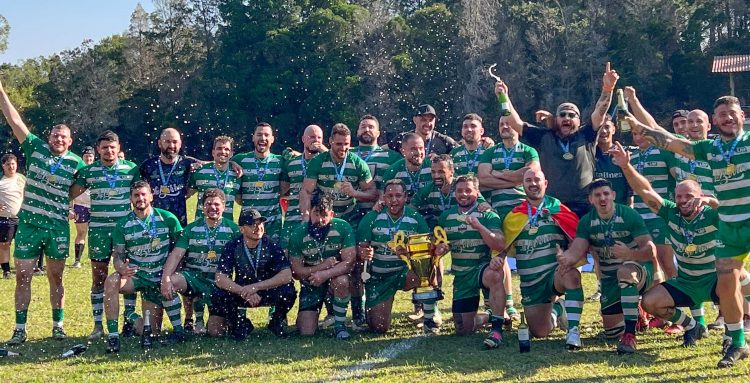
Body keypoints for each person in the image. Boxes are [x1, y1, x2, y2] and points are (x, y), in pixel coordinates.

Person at [624, 96, 750, 367]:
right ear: (715, 120)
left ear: (742, 115)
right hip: (728, 225)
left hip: (723, 216)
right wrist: (641, 128)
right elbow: (672, 142)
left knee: (737, 282)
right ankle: (737, 342)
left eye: (732, 113)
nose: (727, 118)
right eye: (722, 114)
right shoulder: (710, 147)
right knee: (727, 283)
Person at [609, 142, 730, 347]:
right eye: (679, 196)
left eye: (689, 196)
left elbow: (729, 212)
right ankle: (692, 326)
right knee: (649, 302)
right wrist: (625, 166)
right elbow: (646, 191)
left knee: (739, 284)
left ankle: (732, 339)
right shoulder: (671, 212)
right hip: (686, 282)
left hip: (713, 280)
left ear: (700, 197)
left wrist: (712, 202)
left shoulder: (712, 215)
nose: (683, 201)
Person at [0, 78, 85, 344]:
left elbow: (77, 189)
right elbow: (15, 121)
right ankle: (20, 328)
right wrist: (2, 90)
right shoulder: (35, 147)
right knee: (23, 276)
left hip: (58, 226)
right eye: (55, 135)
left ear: (70, 141)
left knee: (56, 276)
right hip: (29, 225)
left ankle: (58, 324)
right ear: (48, 137)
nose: (58, 139)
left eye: (63, 136)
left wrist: (60, 200)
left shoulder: (77, 163)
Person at [496, 62, 620, 217]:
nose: (566, 118)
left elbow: (600, 112)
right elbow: (515, 123)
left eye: (571, 115)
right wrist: (503, 97)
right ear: (556, 119)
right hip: (554, 207)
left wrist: (608, 89)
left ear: (579, 120)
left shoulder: (587, 135)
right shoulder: (544, 137)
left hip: (586, 207)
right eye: (562, 115)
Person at [557, 179, 662, 354]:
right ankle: (634, 312)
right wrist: (564, 258)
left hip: (637, 270)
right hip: (610, 279)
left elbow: (650, 250)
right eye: (597, 195)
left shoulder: (628, 214)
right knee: (612, 332)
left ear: (613, 195)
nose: (602, 198)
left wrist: (630, 254)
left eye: (606, 194)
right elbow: (576, 250)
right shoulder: (587, 221)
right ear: (591, 199)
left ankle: (630, 334)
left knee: (625, 272)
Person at [70, 131, 140, 340]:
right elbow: (71, 192)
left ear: (119, 148)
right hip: (99, 231)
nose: (109, 151)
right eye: (104, 147)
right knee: (98, 277)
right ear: (98, 149)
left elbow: (142, 194)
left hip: (125, 231)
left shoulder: (132, 169)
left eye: (112, 147)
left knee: (128, 274)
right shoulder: (89, 171)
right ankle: (98, 325)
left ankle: (128, 319)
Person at [502, 169, 583, 350]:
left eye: (537, 180)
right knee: (540, 331)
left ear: (545, 183)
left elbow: (578, 239)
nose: (533, 184)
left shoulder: (559, 210)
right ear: (522, 186)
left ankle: (573, 331)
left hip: (556, 274)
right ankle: (558, 309)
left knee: (572, 276)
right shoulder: (514, 216)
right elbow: (502, 247)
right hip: (531, 282)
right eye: (528, 180)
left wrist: (569, 257)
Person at [103, 181, 185, 353]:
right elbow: (117, 256)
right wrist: (120, 268)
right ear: (130, 199)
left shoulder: (168, 218)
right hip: (137, 276)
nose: (140, 198)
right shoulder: (123, 225)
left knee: (152, 333)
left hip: (160, 275)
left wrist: (171, 274)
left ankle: (134, 318)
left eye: (143, 194)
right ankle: (113, 336)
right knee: (111, 281)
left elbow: (180, 250)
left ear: (151, 196)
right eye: (136, 195)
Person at [434, 175, 506, 347]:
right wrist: (441, 249)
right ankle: (490, 315)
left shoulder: (487, 214)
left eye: (468, 190)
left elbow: (500, 243)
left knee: (495, 275)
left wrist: (479, 227)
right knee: (463, 330)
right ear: (454, 193)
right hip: (461, 276)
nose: (463, 194)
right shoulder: (446, 216)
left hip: (481, 269)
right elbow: (438, 245)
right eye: (459, 191)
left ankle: (497, 328)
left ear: (477, 192)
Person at [160, 188, 241, 335]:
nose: (212, 208)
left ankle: (217, 318)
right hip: (195, 278)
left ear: (224, 206)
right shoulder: (191, 229)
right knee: (172, 281)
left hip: (220, 282)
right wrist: (166, 277)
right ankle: (180, 329)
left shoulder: (233, 229)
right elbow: (177, 254)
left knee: (216, 332)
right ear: (202, 207)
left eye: (216, 204)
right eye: (208, 204)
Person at [209, 207, 296, 339]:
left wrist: (256, 287)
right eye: (251, 224)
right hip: (242, 292)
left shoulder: (271, 245)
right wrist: (243, 291)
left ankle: (276, 321)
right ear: (242, 229)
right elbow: (220, 278)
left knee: (288, 290)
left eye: (260, 223)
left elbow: (287, 275)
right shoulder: (233, 246)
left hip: (265, 290)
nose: (258, 227)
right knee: (218, 293)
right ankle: (239, 324)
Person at [357, 179, 430, 333]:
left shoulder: (415, 217)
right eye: (389, 196)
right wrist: (364, 253)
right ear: (383, 197)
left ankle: (429, 314)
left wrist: (408, 253)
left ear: (405, 197)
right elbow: (360, 250)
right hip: (380, 277)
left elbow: (427, 250)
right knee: (379, 327)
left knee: (427, 271)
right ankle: (367, 308)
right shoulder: (372, 217)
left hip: (404, 272)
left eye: (398, 196)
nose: (394, 200)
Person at [289, 190, 357, 339]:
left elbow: (349, 263)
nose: (320, 219)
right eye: (316, 214)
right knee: (306, 331)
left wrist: (325, 274)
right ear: (310, 212)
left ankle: (340, 325)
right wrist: (321, 268)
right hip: (312, 282)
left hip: (334, 278)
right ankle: (315, 314)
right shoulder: (298, 234)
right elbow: (297, 271)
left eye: (324, 215)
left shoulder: (343, 227)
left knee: (342, 280)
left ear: (331, 214)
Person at [477, 115, 540, 220]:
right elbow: (483, 179)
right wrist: (516, 181)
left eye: (508, 123)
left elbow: (531, 173)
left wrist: (499, 174)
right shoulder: (490, 152)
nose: (504, 126)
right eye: (501, 124)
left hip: (523, 208)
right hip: (496, 209)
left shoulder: (529, 151)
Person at [233, 123, 286, 240]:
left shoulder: (280, 161)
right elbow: (219, 162)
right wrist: (231, 163)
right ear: (253, 137)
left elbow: (284, 189)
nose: (263, 138)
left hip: (273, 225)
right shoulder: (240, 159)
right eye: (259, 135)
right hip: (248, 223)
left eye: (266, 135)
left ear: (272, 139)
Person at [139, 127, 200, 227]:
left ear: (180, 144)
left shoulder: (187, 163)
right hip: (153, 222)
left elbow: (215, 164)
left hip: (179, 223)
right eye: (167, 141)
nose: (171, 145)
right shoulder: (147, 166)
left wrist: (231, 163)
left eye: (175, 142)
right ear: (159, 143)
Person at [188, 135, 241, 221]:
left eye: (226, 149)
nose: (223, 151)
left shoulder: (237, 174)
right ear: (213, 152)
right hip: (201, 227)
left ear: (231, 154)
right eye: (219, 148)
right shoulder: (200, 171)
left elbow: (240, 201)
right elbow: (186, 195)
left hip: (226, 228)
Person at [387, 104, 457, 157]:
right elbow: (383, 150)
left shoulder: (444, 141)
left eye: (431, 120)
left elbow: (462, 149)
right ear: (415, 120)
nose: (428, 123)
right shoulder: (403, 138)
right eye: (423, 120)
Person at [382, 133, 432, 201]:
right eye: (413, 149)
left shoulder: (432, 166)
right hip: (403, 210)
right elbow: (383, 197)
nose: (418, 152)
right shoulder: (394, 170)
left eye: (421, 148)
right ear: (403, 152)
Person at [0, 154, 25, 279]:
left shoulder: (22, 178)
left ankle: (24, 268)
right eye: (8, 164)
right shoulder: (1, 180)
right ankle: (6, 271)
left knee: (23, 244)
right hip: (5, 218)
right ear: (3, 166)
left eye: (13, 164)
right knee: (5, 244)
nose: (11, 166)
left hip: (21, 218)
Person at [70, 146, 94, 269]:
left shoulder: (97, 170)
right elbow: (70, 190)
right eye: (86, 156)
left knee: (97, 234)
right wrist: (70, 208)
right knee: (81, 233)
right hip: (80, 205)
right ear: (82, 157)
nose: (88, 158)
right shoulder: (77, 171)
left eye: (90, 156)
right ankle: (77, 260)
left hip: (96, 207)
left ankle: (100, 258)